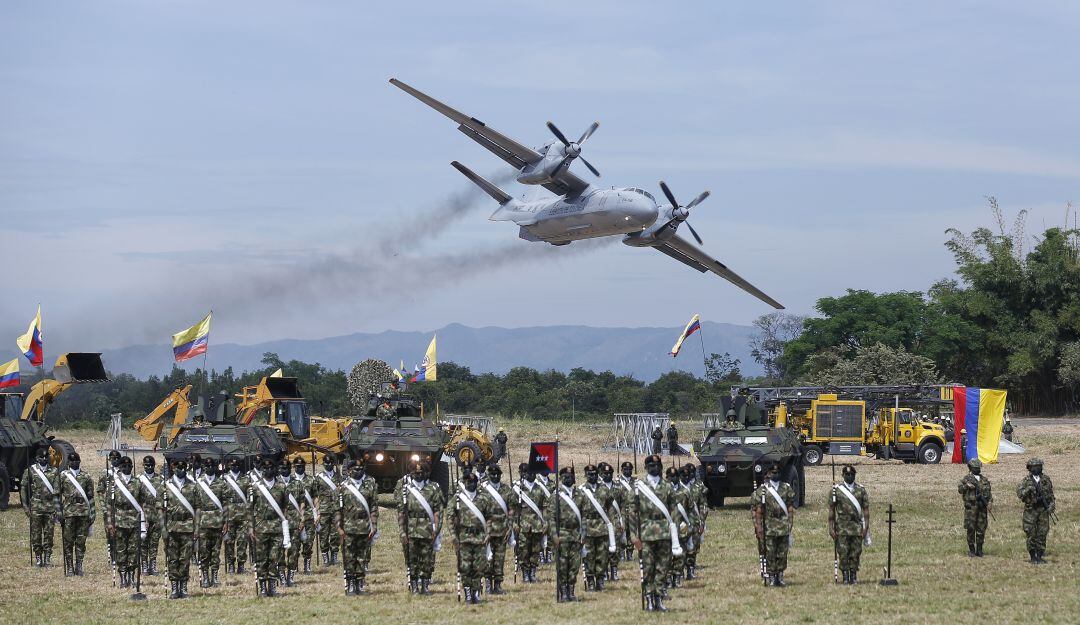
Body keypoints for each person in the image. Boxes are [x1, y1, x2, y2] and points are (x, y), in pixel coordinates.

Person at [626, 454, 679, 612]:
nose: (654, 468)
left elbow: (674, 509)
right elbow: (632, 514)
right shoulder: (638, 487)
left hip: (664, 532)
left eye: (657, 466)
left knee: (663, 567)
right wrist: (634, 536)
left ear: (660, 467)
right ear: (646, 468)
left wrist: (674, 531)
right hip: (646, 532)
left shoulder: (667, 486)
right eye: (651, 466)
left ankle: (659, 598)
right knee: (648, 567)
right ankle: (649, 598)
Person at [396, 459, 444, 595]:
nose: (418, 475)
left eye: (421, 473)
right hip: (411, 530)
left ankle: (425, 584)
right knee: (412, 559)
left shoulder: (433, 488)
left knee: (426, 559)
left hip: (428, 530)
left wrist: (436, 529)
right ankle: (414, 584)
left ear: (425, 473)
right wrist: (402, 532)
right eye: (415, 473)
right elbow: (401, 513)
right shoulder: (405, 490)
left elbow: (438, 511)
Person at [336, 457, 378, 595]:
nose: (359, 471)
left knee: (362, 556)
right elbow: (338, 510)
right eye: (355, 469)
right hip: (348, 527)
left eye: (361, 469)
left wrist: (374, 525)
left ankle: (360, 584)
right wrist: (339, 527)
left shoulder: (369, 485)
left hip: (364, 527)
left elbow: (373, 507)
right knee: (349, 557)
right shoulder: (342, 487)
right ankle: (350, 584)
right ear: (349, 471)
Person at [450, 470, 492, 604]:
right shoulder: (457, 499)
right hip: (464, 537)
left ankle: (476, 593)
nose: (471, 484)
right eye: (468, 482)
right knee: (465, 567)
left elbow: (490, 517)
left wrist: (488, 533)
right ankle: (467, 592)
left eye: (473, 482)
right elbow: (450, 518)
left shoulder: (484, 498)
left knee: (479, 566)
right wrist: (453, 536)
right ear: (464, 483)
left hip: (480, 537)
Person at [161, 459, 199, 599]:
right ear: (172, 467)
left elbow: (198, 508)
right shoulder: (166, 486)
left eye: (183, 466)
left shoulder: (193, 486)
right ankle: (174, 587)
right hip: (171, 527)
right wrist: (163, 529)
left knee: (185, 559)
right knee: (172, 559)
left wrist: (197, 527)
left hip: (188, 527)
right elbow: (161, 510)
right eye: (178, 466)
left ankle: (183, 587)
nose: (181, 468)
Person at [250, 457, 289, 597]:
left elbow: (285, 507)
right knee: (261, 558)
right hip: (260, 527)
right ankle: (262, 588)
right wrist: (251, 527)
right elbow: (250, 509)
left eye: (271, 468)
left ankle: (272, 587)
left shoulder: (282, 486)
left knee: (274, 558)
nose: (268, 470)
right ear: (262, 470)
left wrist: (284, 526)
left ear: (275, 469)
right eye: (265, 468)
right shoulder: (255, 487)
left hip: (276, 527)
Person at [753, 463, 796, 587]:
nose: (775, 475)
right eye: (773, 473)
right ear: (769, 474)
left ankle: (780, 576)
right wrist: (759, 527)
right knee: (770, 552)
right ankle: (772, 576)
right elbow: (759, 511)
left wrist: (790, 524)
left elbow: (790, 508)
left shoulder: (786, 488)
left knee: (782, 552)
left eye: (777, 473)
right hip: (769, 526)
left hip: (783, 525)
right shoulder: (763, 490)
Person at [107, 456, 146, 589]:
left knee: (133, 550)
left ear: (132, 467)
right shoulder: (114, 483)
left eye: (129, 466)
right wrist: (110, 523)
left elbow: (142, 503)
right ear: (120, 468)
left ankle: (131, 575)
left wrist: (143, 522)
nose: (126, 468)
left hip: (134, 521)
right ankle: (123, 576)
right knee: (121, 550)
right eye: (124, 466)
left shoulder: (138, 482)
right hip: (119, 521)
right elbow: (109, 505)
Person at [547, 466, 583, 602]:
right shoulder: (556, 496)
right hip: (562, 535)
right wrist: (554, 536)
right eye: (566, 477)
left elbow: (584, 515)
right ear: (561, 479)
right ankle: (563, 591)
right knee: (562, 566)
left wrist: (584, 533)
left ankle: (571, 591)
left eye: (571, 476)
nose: (569, 479)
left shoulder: (580, 495)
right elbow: (551, 518)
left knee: (574, 565)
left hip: (576, 535)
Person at [830, 464, 870, 583]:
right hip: (842, 527)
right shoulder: (836, 490)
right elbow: (831, 510)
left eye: (852, 474)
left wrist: (866, 527)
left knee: (856, 552)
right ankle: (845, 576)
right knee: (843, 552)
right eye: (847, 474)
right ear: (843, 475)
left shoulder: (861, 490)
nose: (849, 476)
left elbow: (866, 510)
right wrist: (830, 528)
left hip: (857, 526)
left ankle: (853, 575)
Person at [578, 463, 614, 591]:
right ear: (585, 475)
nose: (592, 477)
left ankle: (600, 580)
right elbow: (578, 511)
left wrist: (612, 524)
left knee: (602, 556)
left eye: (594, 474)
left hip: (602, 527)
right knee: (589, 557)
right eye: (589, 475)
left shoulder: (604, 489)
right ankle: (590, 580)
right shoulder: (581, 491)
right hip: (587, 528)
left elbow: (610, 508)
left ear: (597, 475)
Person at [58, 451, 95, 577]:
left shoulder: (86, 476)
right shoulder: (63, 476)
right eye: (72, 461)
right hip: (68, 512)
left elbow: (90, 497)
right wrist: (59, 512)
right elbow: (57, 496)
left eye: (76, 460)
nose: (74, 463)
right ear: (68, 462)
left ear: (80, 461)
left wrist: (93, 513)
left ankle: (79, 566)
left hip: (83, 513)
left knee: (81, 541)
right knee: (68, 541)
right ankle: (69, 566)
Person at [194, 458, 228, 588]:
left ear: (215, 467)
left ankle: (214, 575)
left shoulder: (221, 483)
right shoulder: (199, 484)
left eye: (211, 465)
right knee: (203, 551)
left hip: (218, 521)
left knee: (216, 551)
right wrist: (196, 526)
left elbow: (225, 504)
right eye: (206, 465)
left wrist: (226, 521)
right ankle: (205, 576)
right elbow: (196, 506)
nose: (209, 467)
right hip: (203, 522)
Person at [21, 447, 58, 567]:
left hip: (50, 507)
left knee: (49, 534)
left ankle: (47, 557)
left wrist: (58, 508)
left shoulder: (54, 471)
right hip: (36, 507)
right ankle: (38, 557)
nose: (44, 459)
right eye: (41, 457)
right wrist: (26, 506)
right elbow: (23, 488)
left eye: (46, 457)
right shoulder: (30, 471)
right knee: (36, 534)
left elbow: (57, 491)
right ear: (37, 458)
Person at [511, 462, 547, 583]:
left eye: (532, 473)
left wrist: (545, 522)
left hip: (537, 525)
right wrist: (514, 523)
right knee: (524, 550)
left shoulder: (540, 489)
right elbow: (513, 508)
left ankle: (532, 572)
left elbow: (544, 507)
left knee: (536, 550)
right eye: (527, 473)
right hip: (523, 525)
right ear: (524, 474)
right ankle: (525, 573)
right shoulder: (518, 489)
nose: (530, 475)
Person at [479, 462, 512, 594]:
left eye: (497, 474)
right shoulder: (482, 489)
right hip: (487, 530)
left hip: (502, 530)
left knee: (499, 558)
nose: (495, 476)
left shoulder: (506, 490)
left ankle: (498, 585)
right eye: (492, 474)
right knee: (488, 558)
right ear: (488, 475)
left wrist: (510, 526)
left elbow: (511, 510)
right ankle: (488, 584)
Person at [1016, 457, 1055, 564]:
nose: (1037, 468)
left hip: (1043, 510)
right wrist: (1028, 489)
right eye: (1034, 467)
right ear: (1029, 468)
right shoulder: (1025, 481)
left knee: (1042, 533)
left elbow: (1051, 495)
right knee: (1031, 533)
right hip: (1031, 510)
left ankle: (1040, 555)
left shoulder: (1046, 480)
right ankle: (1033, 556)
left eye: (1039, 466)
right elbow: (1020, 494)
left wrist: (1052, 505)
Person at [279, 458, 305, 586]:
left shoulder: (297, 483)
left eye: (287, 468)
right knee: (279, 551)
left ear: (291, 469)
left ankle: (291, 576)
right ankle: (282, 576)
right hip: (279, 523)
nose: (285, 470)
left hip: (294, 521)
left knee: (294, 550)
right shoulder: (275, 484)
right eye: (283, 468)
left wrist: (302, 518)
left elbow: (302, 502)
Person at [958, 458, 992, 557]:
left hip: (982, 507)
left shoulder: (984, 480)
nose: (977, 469)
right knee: (971, 528)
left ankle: (980, 550)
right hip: (971, 508)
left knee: (981, 529)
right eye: (975, 468)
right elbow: (960, 490)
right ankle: (972, 550)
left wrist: (990, 503)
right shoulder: (966, 479)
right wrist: (967, 486)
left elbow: (989, 493)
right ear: (970, 468)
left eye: (978, 468)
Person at [221, 459, 250, 574]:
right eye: (232, 464)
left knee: (242, 541)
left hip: (243, 515)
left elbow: (249, 498)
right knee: (229, 541)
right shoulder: (224, 480)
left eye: (237, 464)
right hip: (229, 515)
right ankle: (231, 563)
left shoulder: (246, 479)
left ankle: (241, 564)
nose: (235, 466)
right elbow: (222, 499)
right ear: (228, 465)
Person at [137, 456, 164, 576]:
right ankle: (144, 565)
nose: (149, 468)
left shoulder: (160, 480)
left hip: (156, 515)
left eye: (151, 465)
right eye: (147, 465)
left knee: (154, 542)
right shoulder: (139, 480)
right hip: (144, 515)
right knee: (143, 542)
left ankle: (153, 565)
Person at [313, 455, 342, 566]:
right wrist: (317, 511)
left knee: (335, 534)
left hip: (335, 510)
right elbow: (315, 495)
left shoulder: (338, 477)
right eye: (326, 463)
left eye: (331, 463)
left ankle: (334, 556)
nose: (329, 465)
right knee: (323, 535)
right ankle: (325, 557)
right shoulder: (319, 477)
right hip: (324, 510)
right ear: (323, 464)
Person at [680, 463, 707, 579]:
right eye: (686, 474)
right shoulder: (677, 488)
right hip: (681, 522)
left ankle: (691, 569)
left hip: (695, 521)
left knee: (694, 547)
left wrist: (702, 521)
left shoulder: (698, 486)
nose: (689, 476)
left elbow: (703, 505)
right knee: (682, 547)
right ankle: (679, 570)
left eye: (691, 473)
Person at [666, 466, 691, 589]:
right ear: (667, 477)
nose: (673, 478)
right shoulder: (663, 492)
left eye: (675, 476)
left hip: (681, 527)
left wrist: (689, 525)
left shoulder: (685, 492)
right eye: (671, 476)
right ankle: (669, 577)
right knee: (668, 554)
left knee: (681, 554)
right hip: (668, 528)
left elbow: (690, 510)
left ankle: (678, 576)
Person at [598, 462, 623, 580]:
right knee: (603, 548)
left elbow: (624, 505)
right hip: (602, 522)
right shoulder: (598, 488)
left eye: (609, 473)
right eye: (605, 473)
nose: (607, 475)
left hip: (616, 522)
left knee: (616, 548)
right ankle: (604, 571)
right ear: (601, 474)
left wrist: (623, 522)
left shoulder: (619, 487)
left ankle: (614, 570)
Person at [292, 457, 317, 573]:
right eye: (297, 467)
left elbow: (316, 497)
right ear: (294, 467)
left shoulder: (311, 480)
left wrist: (318, 512)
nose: (300, 468)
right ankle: (294, 566)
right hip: (294, 517)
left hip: (309, 516)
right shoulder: (290, 481)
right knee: (295, 544)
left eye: (301, 466)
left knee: (308, 543)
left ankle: (307, 566)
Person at [615, 462, 636, 562]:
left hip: (632, 511)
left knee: (631, 533)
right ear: (622, 470)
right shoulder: (617, 482)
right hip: (622, 511)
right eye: (625, 469)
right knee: (621, 532)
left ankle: (630, 552)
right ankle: (621, 553)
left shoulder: (635, 482)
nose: (628, 471)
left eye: (629, 469)